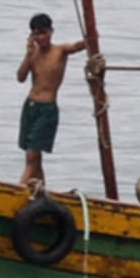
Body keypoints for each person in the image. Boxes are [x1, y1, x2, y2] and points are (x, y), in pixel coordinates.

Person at [16, 11, 86, 188]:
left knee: (32, 154)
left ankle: (20, 188)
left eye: (44, 33)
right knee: (33, 156)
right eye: (37, 34)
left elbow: (79, 46)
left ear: (51, 32)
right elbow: (21, 77)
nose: (41, 38)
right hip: (30, 106)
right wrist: (28, 54)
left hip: (47, 108)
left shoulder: (60, 51)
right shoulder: (33, 53)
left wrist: (91, 36)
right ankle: (41, 189)